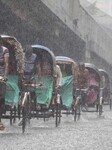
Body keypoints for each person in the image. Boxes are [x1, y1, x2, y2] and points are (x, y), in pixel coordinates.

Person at [0, 36, 9, 130]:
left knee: (1, 98)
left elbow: (6, 64)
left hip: (1, 75)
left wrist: (5, 76)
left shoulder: (5, 50)